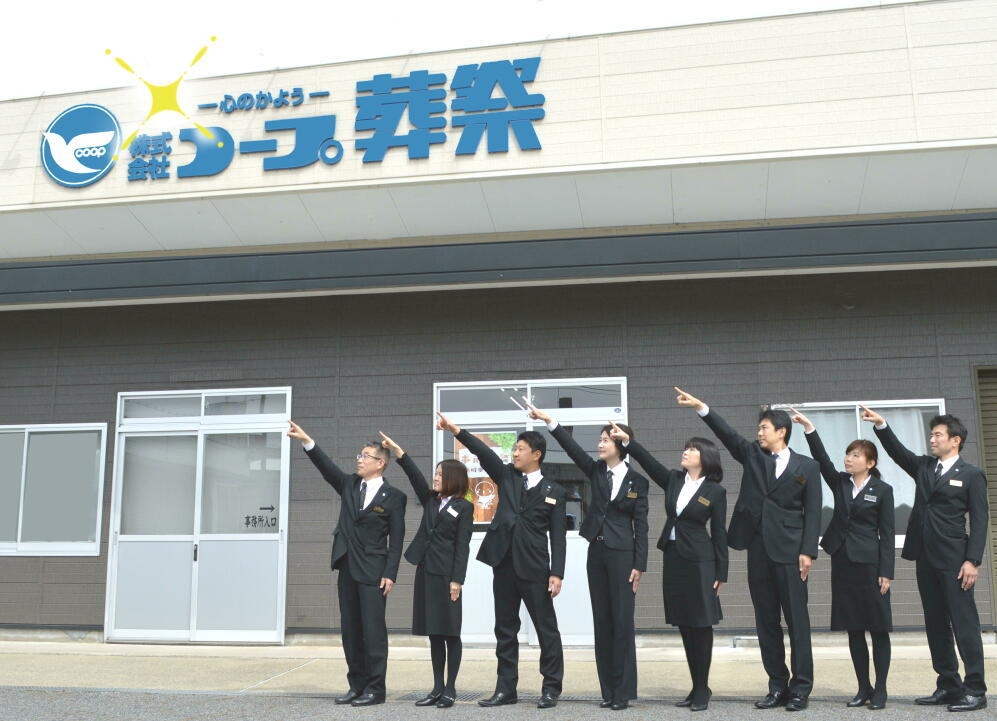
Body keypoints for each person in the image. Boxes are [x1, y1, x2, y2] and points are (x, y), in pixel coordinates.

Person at [675, 387, 820, 711]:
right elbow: (727, 434)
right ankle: (777, 686)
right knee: (766, 622)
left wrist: (808, 551)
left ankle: (801, 688)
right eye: (758, 428)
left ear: (781, 432)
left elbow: (813, 512)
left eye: (764, 428)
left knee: (798, 623)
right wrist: (701, 407)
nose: (759, 433)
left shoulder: (807, 467)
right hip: (759, 550)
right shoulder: (754, 455)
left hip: (791, 553)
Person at [436, 411, 567, 709]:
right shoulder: (508, 476)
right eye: (514, 449)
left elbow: (558, 537)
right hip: (504, 564)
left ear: (536, 454)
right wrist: (457, 431)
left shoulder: (555, 491)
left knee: (546, 628)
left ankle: (551, 688)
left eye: (520, 449)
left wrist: (556, 572)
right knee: (505, 629)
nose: (515, 453)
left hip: (535, 568)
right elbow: (483, 453)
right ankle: (506, 689)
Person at [861, 407, 988, 712]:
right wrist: (881, 425)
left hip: (955, 560)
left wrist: (972, 560)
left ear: (955, 440)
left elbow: (980, 521)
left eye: (938, 435)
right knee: (935, 623)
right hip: (926, 558)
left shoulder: (971, 475)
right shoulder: (924, 467)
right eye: (931, 434)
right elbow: (897, 452)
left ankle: (975, 690)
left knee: (964, 624)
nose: (932, 439)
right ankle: (948, 684)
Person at [526, 404, 649, 710]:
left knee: (622, 622)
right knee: (602, 621)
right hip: (597, 552)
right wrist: (550, 421)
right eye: (600, 439)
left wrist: (639, 565)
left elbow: (642, 526)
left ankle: (623, 692)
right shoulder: (596, 472)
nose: (600, 444)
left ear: (620, 444)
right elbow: (573, 449)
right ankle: (608, 691)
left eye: (606, 439)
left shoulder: (637, 482)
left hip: (623, 556)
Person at [287, 421, 406, 708]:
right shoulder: (350, 485)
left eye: (365, 456)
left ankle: (376, 689)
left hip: (374, 572)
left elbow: (397, 538)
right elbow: (326, 468)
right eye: (359, 455)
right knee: (351, 630)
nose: (360, 460)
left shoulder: (394, 497)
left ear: (380, 463)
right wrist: (307, 441)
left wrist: (390, 573)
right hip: (348, 567)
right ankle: (357, 685)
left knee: (373, 632)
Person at [609, 423, 727, 712]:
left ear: (705, 457)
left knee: (701, 624)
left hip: (701, 562)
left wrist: (721, 572)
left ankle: (702, 688)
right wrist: (628, 442)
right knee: (685, 623)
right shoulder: (674, 480)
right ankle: (696, 685)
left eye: (692, 449)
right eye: (686, 448)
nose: (685, 452)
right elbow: (649, 463)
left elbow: (719, 533)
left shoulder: (715, 491)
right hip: (674, 558)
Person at [790, 410, 894, 710]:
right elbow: (822, 460)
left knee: (878, 628)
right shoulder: (841, 483)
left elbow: (887, 535)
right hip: (843, 562)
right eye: (848, 454)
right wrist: (809, 429)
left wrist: (886, 572)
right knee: (854, 628)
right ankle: (863, 687)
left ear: (870, 462)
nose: (849, 459)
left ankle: (880, 689)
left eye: (856, 455)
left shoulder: (883, 490)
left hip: (871, 566)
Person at [379, 432, 473, 709]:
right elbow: (414, 476)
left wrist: (457, 580)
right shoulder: (431, 500)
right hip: (426, 571)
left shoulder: (464, 507)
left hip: (447, 577)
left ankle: (450, 688)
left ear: (453, 478)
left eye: (441, 474)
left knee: (450, 632)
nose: (436, 478)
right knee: (434, 632)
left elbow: (463, 546)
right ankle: (436, 688)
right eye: (436, 473)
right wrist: (398, 451)